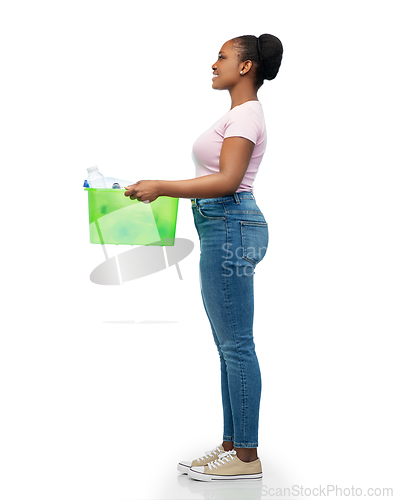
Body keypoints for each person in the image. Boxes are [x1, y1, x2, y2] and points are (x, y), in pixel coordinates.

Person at [125, 33, 283, 481]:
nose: (214, 64)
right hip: (223, 225)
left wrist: (161, 185)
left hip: (231, 225)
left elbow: (228, 181)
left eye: (222, 57)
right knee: (227, 346)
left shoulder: (246, 116)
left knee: (236, 345)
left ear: (246, 67)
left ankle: (247, 457)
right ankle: (234, 445)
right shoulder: (238, 115)